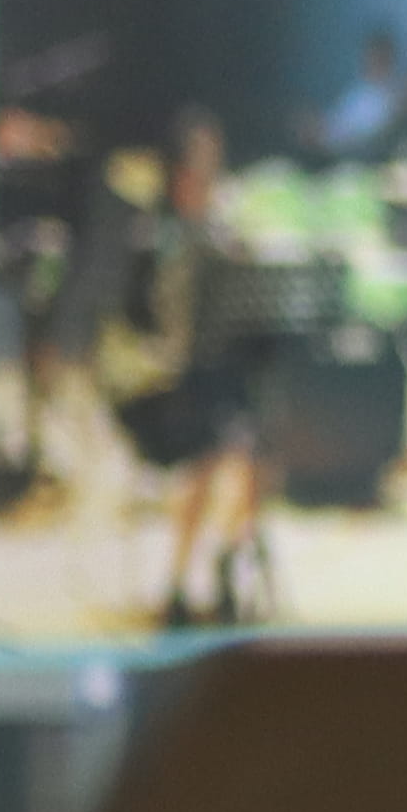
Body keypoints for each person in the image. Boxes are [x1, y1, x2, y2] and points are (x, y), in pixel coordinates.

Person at [82, 105, 272, 631]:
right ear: (178, 173)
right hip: (149, 395)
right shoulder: (149, 239)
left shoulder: (215, 238)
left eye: (214, 167)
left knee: (260, 434)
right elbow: (125, 341)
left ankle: (231, 558)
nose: (207, 180)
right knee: (211, 444)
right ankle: (177, 583)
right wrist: (165, 352)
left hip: (199, 386)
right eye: (199, 167)